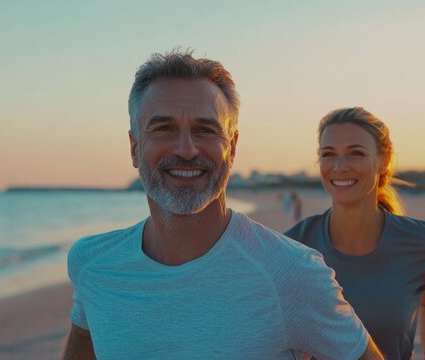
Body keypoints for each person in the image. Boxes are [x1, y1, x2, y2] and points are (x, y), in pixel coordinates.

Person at [62, 51, 384, 360]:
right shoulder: (92, 264)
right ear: (134, 147)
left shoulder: (291, 273)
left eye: (205, 130)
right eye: (164, 129)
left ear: (231, 148)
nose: (186, 149)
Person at [285, 107, 425, 360]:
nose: (340, 167)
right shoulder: (292, 247)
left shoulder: (424, 243)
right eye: (328, 154)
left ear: (384, 161)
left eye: (356, 153)